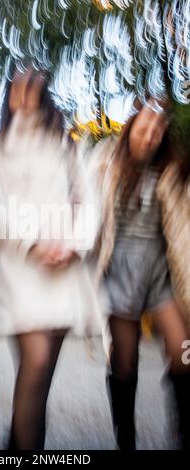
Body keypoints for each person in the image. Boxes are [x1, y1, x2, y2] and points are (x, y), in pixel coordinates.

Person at [0, 66, 102, 450]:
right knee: (35, 365)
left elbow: (88, 197)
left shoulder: (63, 143)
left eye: (34, 84)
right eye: (19, 84)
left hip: (64, 274)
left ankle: (16, 448)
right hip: (20, 274)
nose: (26, 89)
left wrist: (75, 245)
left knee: (40, 382)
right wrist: (34, 243)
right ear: (10, 94)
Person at [91, 98, 190, 450]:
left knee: (184, 354)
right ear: (131, 127)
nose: (151, 135)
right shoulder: (106, 162)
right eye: (145, 127)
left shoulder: (172, 170)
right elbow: (86, 212)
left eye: (158, 129)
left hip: (160, 273)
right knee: (125, 363)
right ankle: (126, 439)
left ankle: (183, 433)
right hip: (121, 273)